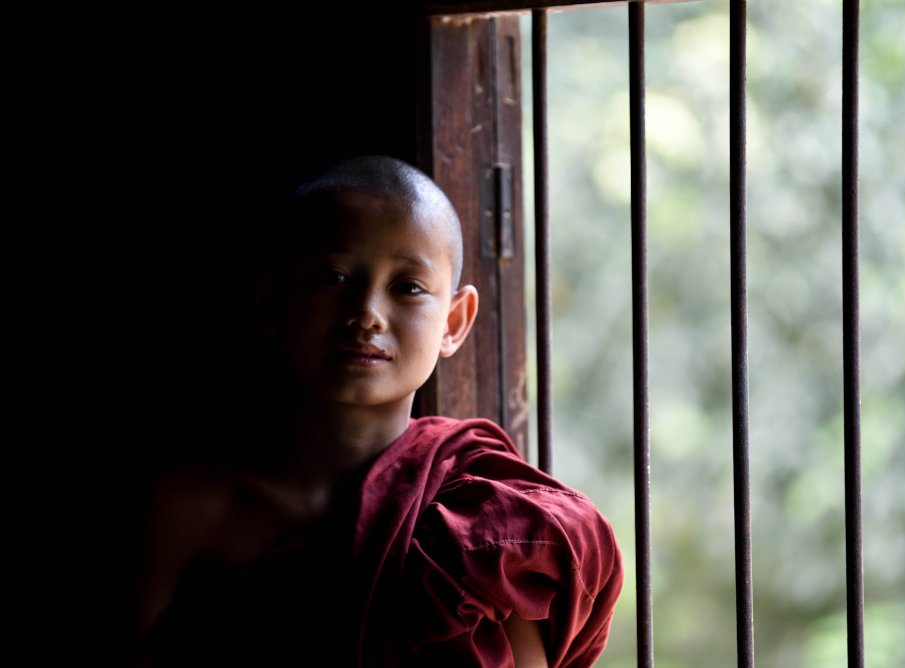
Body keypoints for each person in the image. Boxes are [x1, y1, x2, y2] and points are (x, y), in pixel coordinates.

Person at [136, 155, 623, 666]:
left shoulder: (480, 533)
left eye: (408, 287)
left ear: (454, 322)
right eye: (334, 276)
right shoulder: (191, 510)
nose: (366, 314)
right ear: (270, 299)